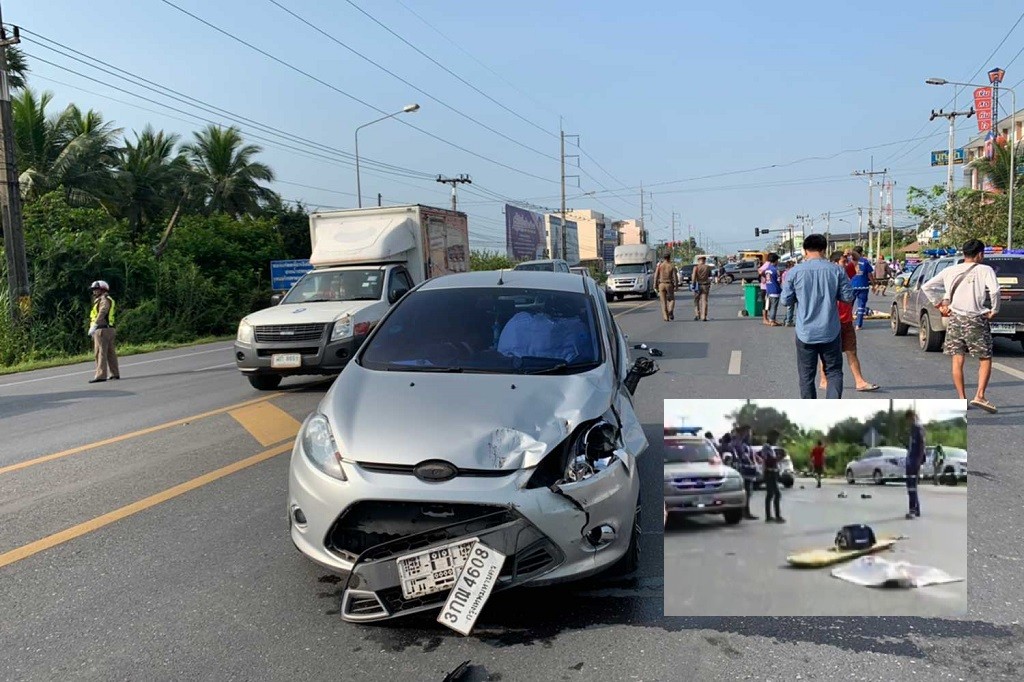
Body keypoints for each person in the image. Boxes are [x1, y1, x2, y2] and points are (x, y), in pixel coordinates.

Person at [920, 239, 1001, 412]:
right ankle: (979, 395)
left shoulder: (950, 270)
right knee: (985, 358)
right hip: (976, 319)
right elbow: (994, 291)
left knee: (957, 359)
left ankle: (961, 399)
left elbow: (927, 286)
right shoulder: (985, 269)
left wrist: (939, 304)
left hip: (955, 319)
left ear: (964, 253)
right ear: (980, 254)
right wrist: (994, 309)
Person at [780, 234, 855, 398]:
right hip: (830, 331)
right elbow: (848, 297)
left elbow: (785, 301)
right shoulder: (837, 270)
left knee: (806, 376)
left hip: (805, 333)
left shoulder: (794, 272)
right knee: (834, 372)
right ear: (824, 249)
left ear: (805, 250)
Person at [818, 252, 880, 392]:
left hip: (846, 321)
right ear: (834, 263)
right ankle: (823, 380)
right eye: (843, 261)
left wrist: (850, 253)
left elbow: (858, 259)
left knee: (851, 351)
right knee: (826, 354)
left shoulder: (847, 273)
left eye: (847, 261)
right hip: (831, 322)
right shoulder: (827, 277)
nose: (846, 264)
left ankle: (859, 381)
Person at [88, 280, 120, 383]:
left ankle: (101, 375)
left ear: (102, 290)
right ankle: (115, 373)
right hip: (109, 328)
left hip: (102, 329)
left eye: (96, 289)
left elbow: (103, 311)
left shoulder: (104, 299)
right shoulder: (107, 299)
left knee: (100, 352)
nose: (94, 292)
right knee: (111, 353)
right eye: (94, 290)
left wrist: (95, 325)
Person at [905, 409, 926, 519]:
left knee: (911, 487)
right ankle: (916, 509)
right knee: (911, 487)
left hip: (914, 461)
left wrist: (919, 461)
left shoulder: (918, 428)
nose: (908, 421)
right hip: (911, 460)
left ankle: (912, 510)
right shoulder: (913, 429)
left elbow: (921, 446)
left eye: (909, 419)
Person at [735, 425, 759, 520]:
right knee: (746, 492)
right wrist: (751, 462)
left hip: (749, 470)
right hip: (744, 470)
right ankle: (745, 511)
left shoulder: (747, 444)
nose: (750, 435)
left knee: (749, 492)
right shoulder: (739, 444)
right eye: (748, 433)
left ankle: (745, 511)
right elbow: (744, 456)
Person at [761, 429, 784, 523]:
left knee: (770, 494)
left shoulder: (770, 447)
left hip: (772, 472)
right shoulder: (766, 447)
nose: (776, 439)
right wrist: (777, 458)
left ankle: (769, 516)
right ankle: (776, 516)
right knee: (776, 494)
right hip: (769, 472)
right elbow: (768, 460)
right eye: (776, 437)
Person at [850, 246, 874, 330]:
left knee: (849, 306)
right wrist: (874, 284)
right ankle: (858, 325)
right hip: (863, 286)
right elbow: (870, 275)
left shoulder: (850, 261)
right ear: (861, 253)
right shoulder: (865, 261)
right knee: (861, 306)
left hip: (851, 286)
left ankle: (848, 324)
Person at [655, 253, 678, 322]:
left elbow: (656, 276)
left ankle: (666, 317)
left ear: (663, 258)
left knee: (663, 301)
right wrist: (676, 285)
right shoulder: (671, 266)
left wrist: (655, 285)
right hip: (669, 284)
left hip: (661, 284)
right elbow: (675, 277)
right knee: (672, 299)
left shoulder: (660, 266)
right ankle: (670, 310)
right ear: (669, 258)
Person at [763, 253, 782, 326]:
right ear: (776, 261)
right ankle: (772, 320)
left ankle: (772, 319)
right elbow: (779, 280)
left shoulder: (767, 269)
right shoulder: (775, 270)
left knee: (770, 306)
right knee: (774, 306)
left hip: (768, 290)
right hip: (775, 290)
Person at [691, 256, 712, 321]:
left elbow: (694, 277)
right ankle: (704, 316)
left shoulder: (696, 267)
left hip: (698, 286)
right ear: (704, 261)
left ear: (698, 261)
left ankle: (697, 314)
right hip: (705, 285)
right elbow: (710, 276)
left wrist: (693, 284)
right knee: (704, 301)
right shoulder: (708, 267)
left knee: (696, 300)